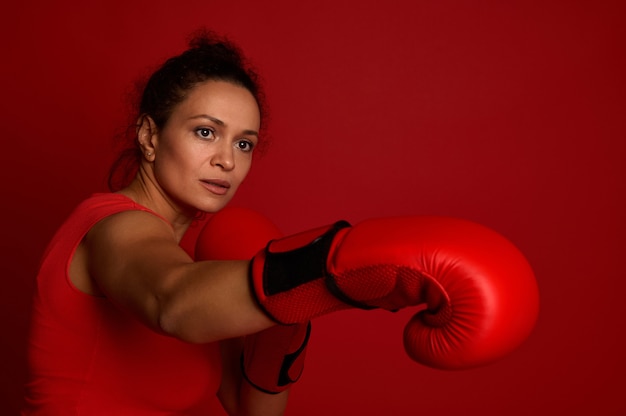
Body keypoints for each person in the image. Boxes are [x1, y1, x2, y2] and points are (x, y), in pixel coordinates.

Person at [22, 28, 539, 416]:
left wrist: (287, 322)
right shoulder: (110, 228)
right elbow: (170, 302)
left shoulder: (205, 266)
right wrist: (337, 270)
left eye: (243, 143)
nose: (228, 159)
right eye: (206, 133)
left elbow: (252, 409)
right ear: (150, 136)